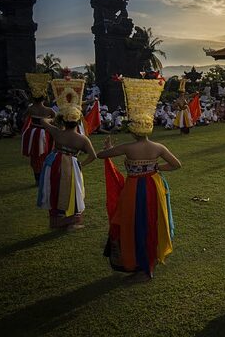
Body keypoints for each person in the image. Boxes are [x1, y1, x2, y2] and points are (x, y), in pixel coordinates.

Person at [97, 77, 181, 281]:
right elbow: (176, 164)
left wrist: (108, 148)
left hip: (133, 188)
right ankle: (148, 262)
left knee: (134, 224)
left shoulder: (127, 147)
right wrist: (156, 167)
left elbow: (101, 155)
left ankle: (142, 266)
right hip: (154, 186)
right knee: (151, 222)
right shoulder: (158, 147)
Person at [37, 77, 96, 229]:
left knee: (54, 188)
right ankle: (69, 220)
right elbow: (93, 156)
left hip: (54, 162)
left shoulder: (57, 132)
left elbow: (43, 121)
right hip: (71, 164)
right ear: (78, 121)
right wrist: (81, 164)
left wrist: (55, 118)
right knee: (72, 190)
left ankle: (56, 220)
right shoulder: (82, 139)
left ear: (64, 121)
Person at [22, 73, 56, 184]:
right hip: (45, 133)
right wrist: (49, 121)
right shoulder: (49, 110)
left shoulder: (30, 109)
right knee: (45, 154)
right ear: (44, 97)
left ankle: (38, 178)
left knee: (35, 156)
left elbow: (23, 118)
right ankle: (43, 177)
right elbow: (57, 119)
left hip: (32, 133)